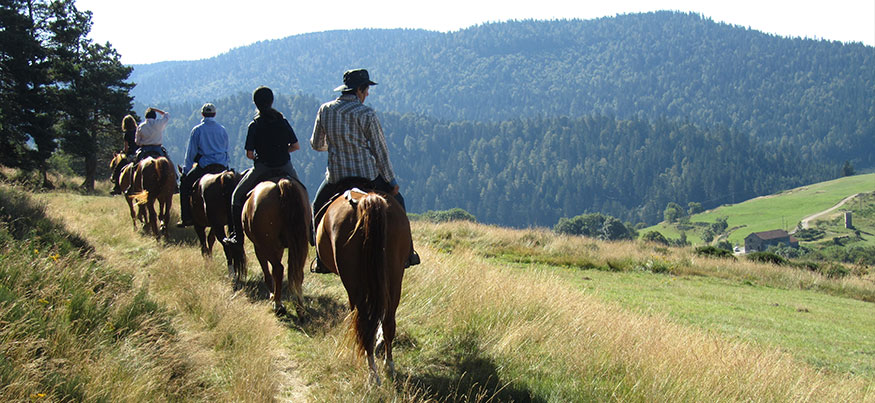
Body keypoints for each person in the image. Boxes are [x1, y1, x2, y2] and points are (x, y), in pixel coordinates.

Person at [310, 68, 419, 268]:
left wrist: (336, 144)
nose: (367, 94)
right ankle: (409, 252)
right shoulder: (366, 113)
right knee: (399, 203)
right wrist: (391, 181)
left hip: (337, 177)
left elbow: (317, 144)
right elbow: (380, 150)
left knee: (317, 206)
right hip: (367, 177)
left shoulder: (325, 110)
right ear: (359, 90)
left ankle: (320, 258)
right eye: (366, 89)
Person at [223, 86, 302, 245]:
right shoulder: (282, 121)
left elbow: (249, 154)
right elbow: (296, 146)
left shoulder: (254, 124)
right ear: (272, 101)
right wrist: (281, 151)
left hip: (263, 168)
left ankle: (237, 236)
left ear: (255, 103)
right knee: (302, 194)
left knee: (236, 197)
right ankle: (309, 230)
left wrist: (263, 154)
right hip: (285, 166)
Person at [176, 103, 230, 227]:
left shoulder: (198, 130)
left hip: (205, 167)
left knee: (184, 187)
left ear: (202, 114)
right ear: (215, 114)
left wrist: (186, 171)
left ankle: (186, 217)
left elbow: (191, 153)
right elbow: (226, 150)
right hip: (222, 166)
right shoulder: (222, 129)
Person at [109, 114, 139, 195]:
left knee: (118, 167)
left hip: (131, 155)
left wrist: (123, 152)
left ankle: (116, 186)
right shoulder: (138, 130)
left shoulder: (127, 134)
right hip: (140, 153)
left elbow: (126, 148)